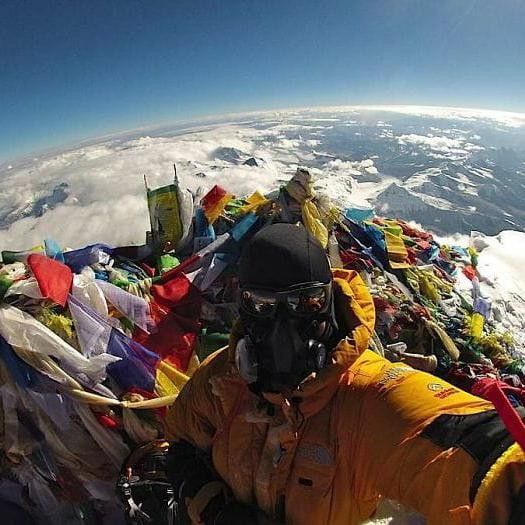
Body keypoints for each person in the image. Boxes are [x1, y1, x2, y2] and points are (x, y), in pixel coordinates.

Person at [163, 223, 525, 525]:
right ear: (243, 306)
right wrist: (216, 508)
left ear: (331, 302)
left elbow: (464, 445)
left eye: (307, 304)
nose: (282, 327)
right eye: (262, 305)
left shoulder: (369, 398)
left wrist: (510, 474)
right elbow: (178, 440)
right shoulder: (222, 380)